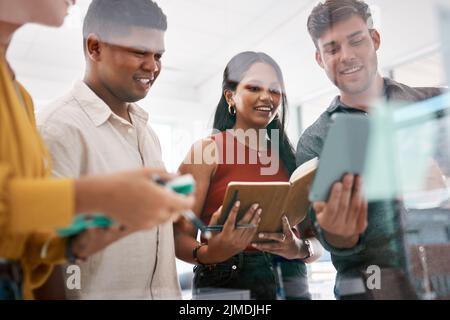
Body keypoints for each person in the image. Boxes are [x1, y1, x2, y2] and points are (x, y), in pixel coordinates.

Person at [0, 0, 193, 300]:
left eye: (158, 55)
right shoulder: (57, 126)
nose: (153, 66)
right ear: (95, 48)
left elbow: (36, 241)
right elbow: (48, 268)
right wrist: (97, 197)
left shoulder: (148, 133)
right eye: (140, 51)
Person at [296, 0, 442, 299]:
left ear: (374, 39)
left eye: (356, 40)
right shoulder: (314, 142)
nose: (347, 56)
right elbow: (317, 239)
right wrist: (339, 235)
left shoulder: (435, 106)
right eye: (332, 48)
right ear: (319, 59)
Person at [175, 51, 323, 300]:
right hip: (229, 284)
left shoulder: (290, 157)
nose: (267, 97)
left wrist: (298, 248)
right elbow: (179, 238)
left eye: (275, 90)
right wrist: (211, 253)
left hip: (292, 283)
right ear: (230, 96)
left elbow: (317, 242)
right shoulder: (207, 151)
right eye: (254, 87)